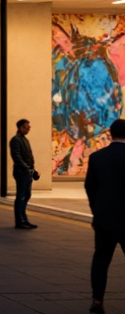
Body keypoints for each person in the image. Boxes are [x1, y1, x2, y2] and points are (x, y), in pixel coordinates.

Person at [85, 118, 125, 314]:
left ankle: (97, 301)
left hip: (104, 218)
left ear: (110, 133)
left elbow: (90, 187)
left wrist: (97, 209)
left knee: (101, 259)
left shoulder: (97, 157)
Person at [9, 117, 39, 228]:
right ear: (20, 127)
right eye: (27, 126)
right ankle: (19, 220)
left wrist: (32, 169)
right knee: (21, 196)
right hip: (21, 172)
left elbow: (28, 156)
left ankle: (23, 218)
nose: (29, 128)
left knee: (27, 195)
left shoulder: (25, 140)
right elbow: (16, 156)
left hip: (27, 171)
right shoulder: (15, 140)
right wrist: (26, 167)